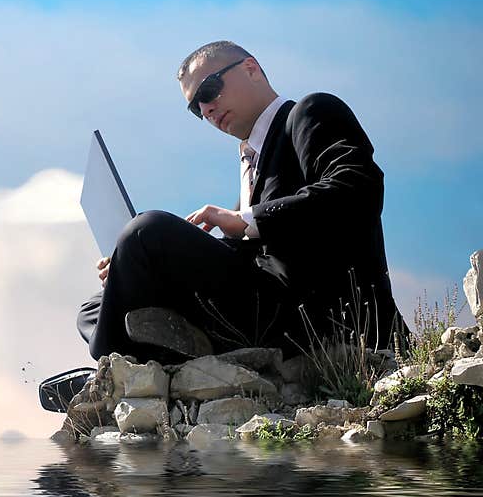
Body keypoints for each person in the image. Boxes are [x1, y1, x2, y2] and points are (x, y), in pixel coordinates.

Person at [75, 40, 410, 363]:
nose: (206, 109)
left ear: (251, 69)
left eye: (208, 91)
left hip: (324, 316)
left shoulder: (311, 112)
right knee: (95, 306)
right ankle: (151, 362)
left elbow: (356, 188)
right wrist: (131, 269)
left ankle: (110, 372)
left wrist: (246, 220)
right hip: (266, 316)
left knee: (145, 230)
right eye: (196, 108)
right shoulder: (251, 165)